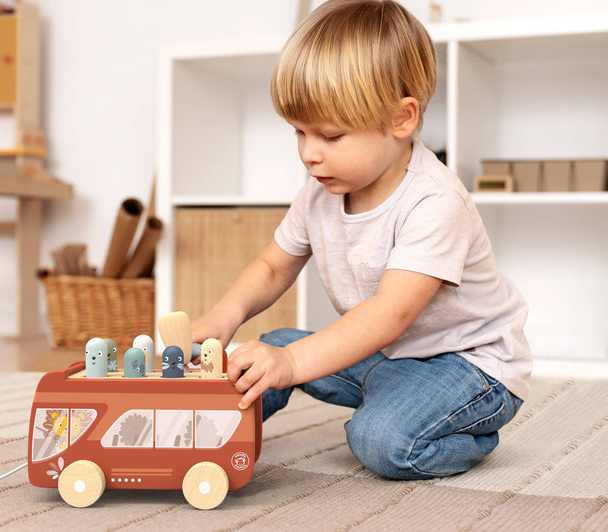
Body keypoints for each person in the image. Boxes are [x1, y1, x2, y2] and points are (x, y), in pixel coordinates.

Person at [191, 0, 531, 480]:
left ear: (401, 120)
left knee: (379, 440)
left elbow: (389, 314)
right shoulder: (319, 191)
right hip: (390, 355)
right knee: (262, 351)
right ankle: (218, 427)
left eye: (330, 135)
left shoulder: (434, 201)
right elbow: (273, 266)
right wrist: (223, 317)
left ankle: (469, 433)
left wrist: (291, 364)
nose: (310, 154)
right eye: (299, 132)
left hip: (468, 367)